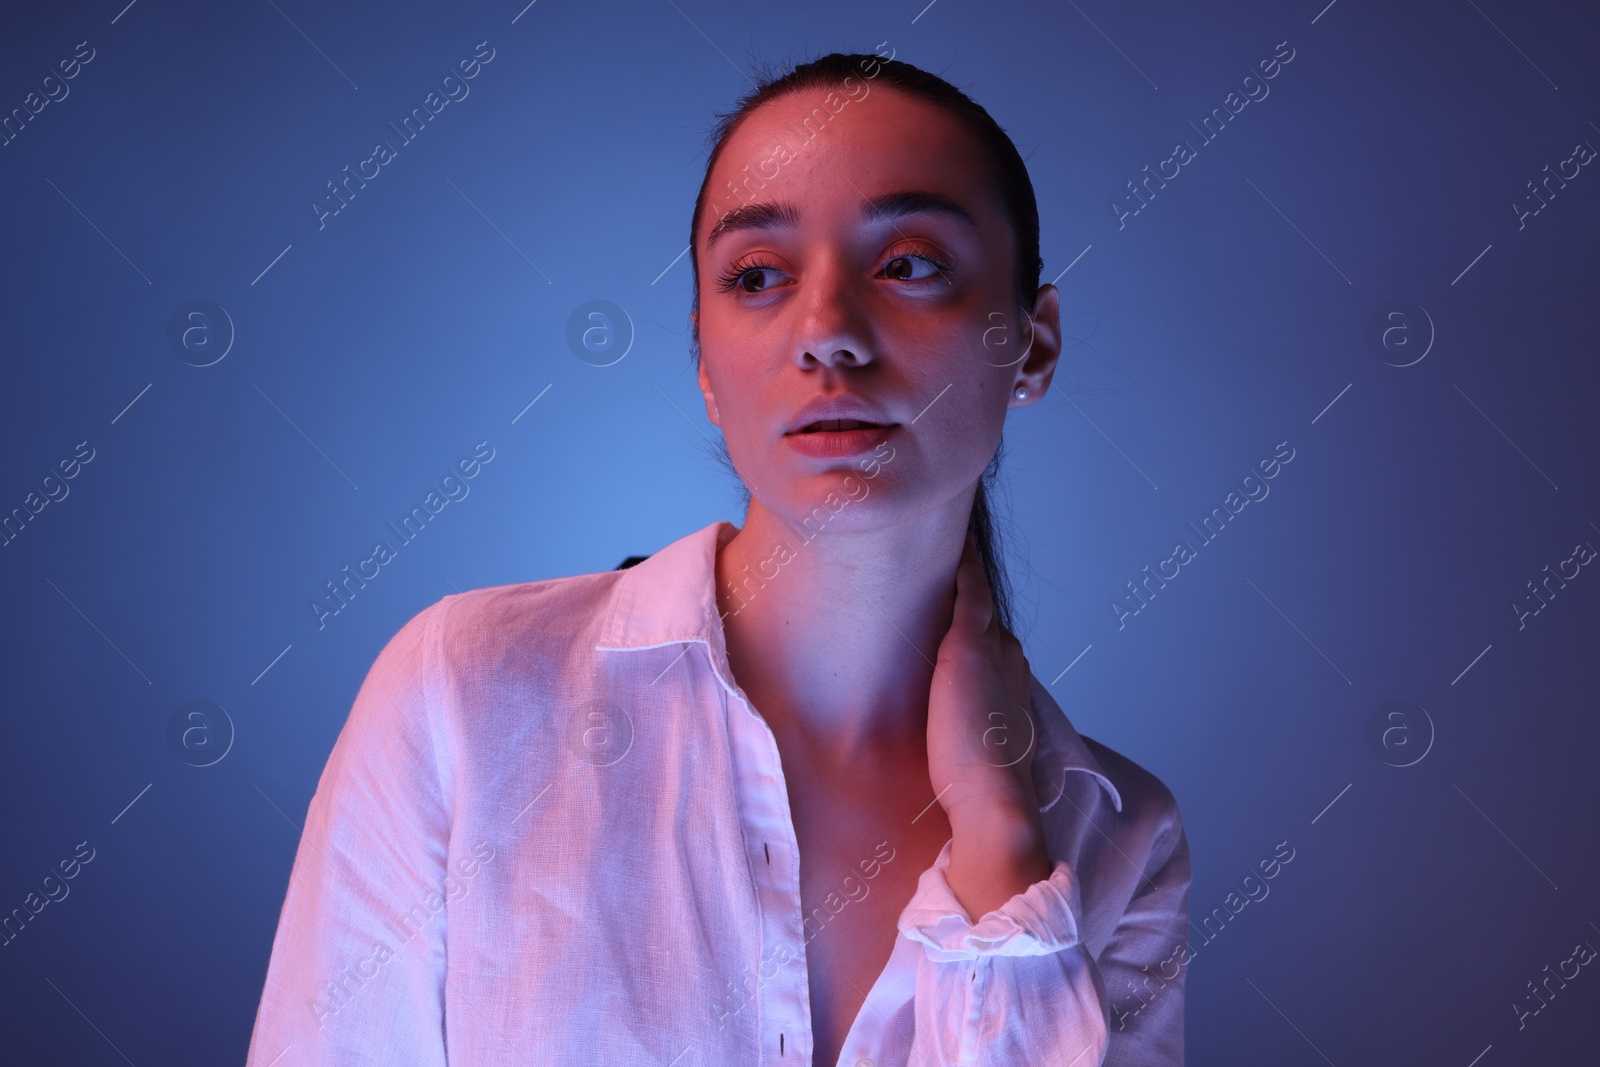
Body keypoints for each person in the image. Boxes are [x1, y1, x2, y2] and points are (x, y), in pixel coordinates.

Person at [245, 49, 1190, 1067]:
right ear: (703, 360)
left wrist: (1004, 849)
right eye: (757, 276)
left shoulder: (1121, 837)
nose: (826, 332)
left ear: (1031, 346)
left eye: (908, 262)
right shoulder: (463, 695)